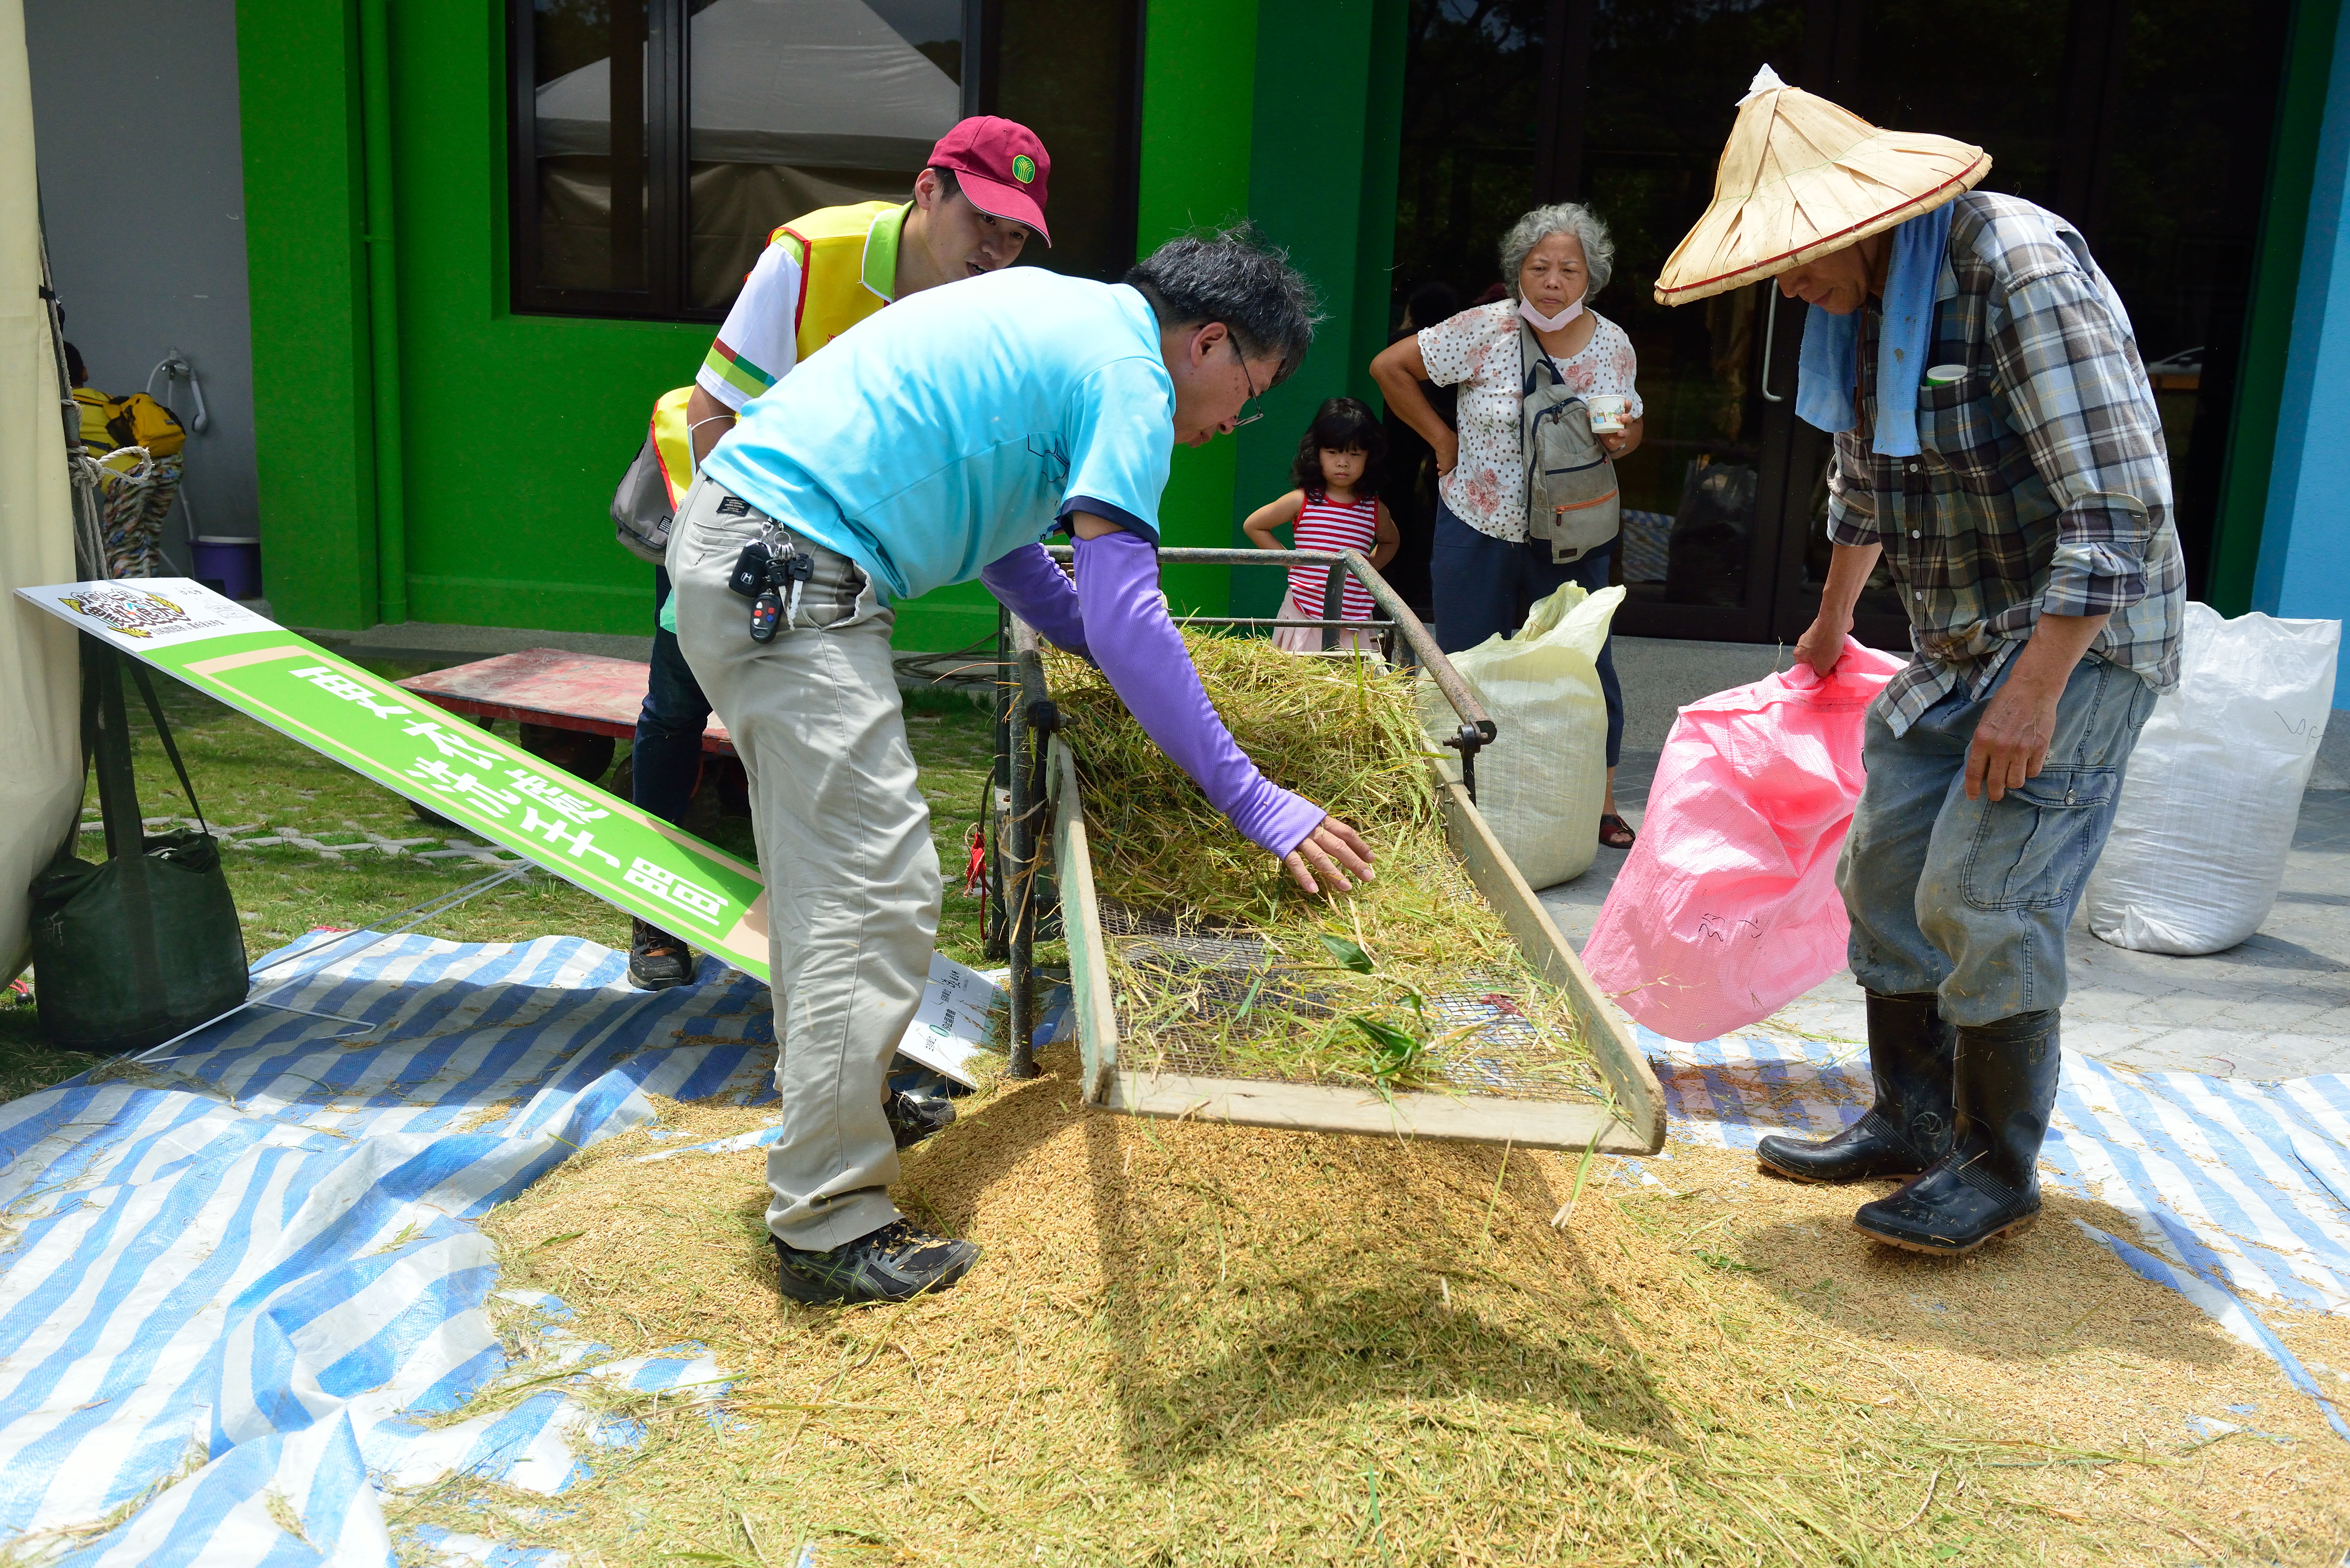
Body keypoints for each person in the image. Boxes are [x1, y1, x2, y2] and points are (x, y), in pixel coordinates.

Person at [670, 227, 1375, 1306]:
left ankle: (841, 1108)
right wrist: (1256, 800)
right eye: (1253, 389)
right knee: (873, 888)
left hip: (759, 549)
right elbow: (1129, 609)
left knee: (837, 887)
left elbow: (1009, 547)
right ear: (1213, 342)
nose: (1234, 421)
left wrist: (1102, 649)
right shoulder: (1130, 370)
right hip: (788, 566)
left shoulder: (1067, 323)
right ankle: (826, 1219)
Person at [1653, 68, 2185, 1255]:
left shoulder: (2020, 270)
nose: (1790, 280)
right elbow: (1864, 480)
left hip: (2078, 637)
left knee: (1982, 892)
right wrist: (1831, 624)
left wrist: (2035, 696)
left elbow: (2119, 508)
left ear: (1868, 217)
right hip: (1957, 638)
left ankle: (1998, 1163)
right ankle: (1908, 1114)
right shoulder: (1862, 312)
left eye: (1800, 252)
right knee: (1887, 870)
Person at [624, 117, 1051, 992]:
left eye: (1015, 238)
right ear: (928, 190)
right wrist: (739, 551)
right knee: (677, 709)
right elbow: (715, 409)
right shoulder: (813, 256)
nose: (995, 252)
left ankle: (802, 946)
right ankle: (655, 920)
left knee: (798, 739)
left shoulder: (981, 311)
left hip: (833, 550)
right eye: (984, 223)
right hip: (720, 506)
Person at [1371, 203, 1645, 849]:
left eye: (1567, 269)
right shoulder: (1481, 328)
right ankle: (1461, 800)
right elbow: (1390, 368)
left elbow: (1626, 432)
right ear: (1517, 271)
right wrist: (1440, 436)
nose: (1551, 280)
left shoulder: (1613, 344)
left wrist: (1622, 436)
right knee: (1465, 663)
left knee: (1583, 667)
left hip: (1572, 530)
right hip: (1476, 520)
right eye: (1538, 266)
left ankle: (1598, 803)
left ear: (1590, 278)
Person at [1241, 396, 1399, 654]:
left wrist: (1366, 572)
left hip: (1354, 619)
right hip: (1303, 611)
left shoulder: (1373, 508)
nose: (1343, 462)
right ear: (1316, 453)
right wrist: (1292, 563)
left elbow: (1391, 541)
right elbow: (1254, 525)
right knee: (1297, 680)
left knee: (1353, 685)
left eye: (1355, 453)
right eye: (1333, 452)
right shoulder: (1302, 499)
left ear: (1370, 457)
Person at [1378, 280, 1460, 615]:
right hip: (1445, 448)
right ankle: (1425, 593)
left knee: (1396, 513)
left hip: (1400, 448)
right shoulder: (1454, 347)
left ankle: (1392, 595)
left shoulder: (1399, 345)